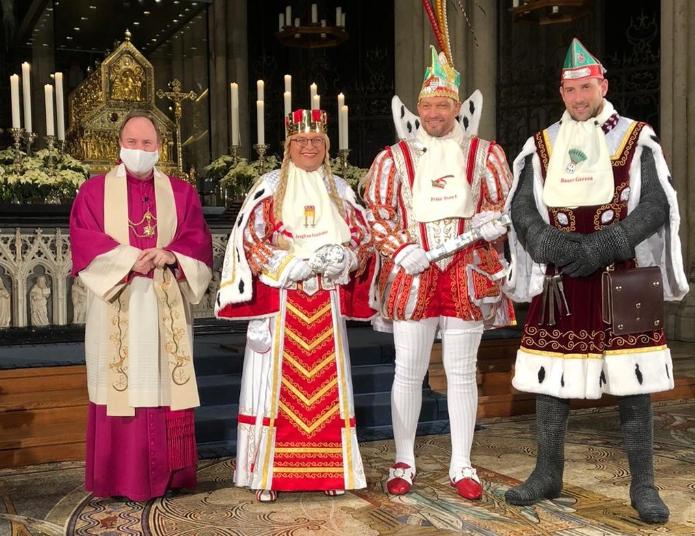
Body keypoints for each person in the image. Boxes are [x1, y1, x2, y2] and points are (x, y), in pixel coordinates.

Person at [503, 38, 689, 524]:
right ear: (561, 93)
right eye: (570, 91)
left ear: (602, 85)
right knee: (550, 378)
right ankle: (547, 472)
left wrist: (604, 246)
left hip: (626, 273)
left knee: (635, 382)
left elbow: (655, 205)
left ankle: (644, 486)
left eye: (586, 88)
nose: (579, 98)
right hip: (560, 274)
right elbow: (522, 206)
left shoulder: (636, 136)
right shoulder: (541, 143)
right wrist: (547, 245)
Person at [362, 45, 515, 500]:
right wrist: (400, 248)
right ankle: (404, 460)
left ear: (458, 107)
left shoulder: (487, 154)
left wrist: (492, 220)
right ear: (418, 108)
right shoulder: (392, 158)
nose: (433, 113)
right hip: (413, 275)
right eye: (426, 105)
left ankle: (461, 463)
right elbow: (376, 213)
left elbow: (504, 205)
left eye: (442, 105)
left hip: (467, 272)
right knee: (407, 370)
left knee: (461, 372)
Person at [216, 109, 375, 503]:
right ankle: (267, 474)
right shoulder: (269, 187)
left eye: (316, 141)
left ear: (326, 146)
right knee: (273, 391)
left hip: (326, 299)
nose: (309, 147)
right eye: (301, 142)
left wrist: (345, 259)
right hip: (282, 301)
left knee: (327, 392)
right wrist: (289, 265)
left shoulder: (340, 188)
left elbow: (364, 239)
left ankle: (331, 471)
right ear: (288, 147)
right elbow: (249, 240)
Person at [70, 111, 213, 501]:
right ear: (120, 145)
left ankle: (170, 476)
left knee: (165, 384)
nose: (139, 150)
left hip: (163, 301)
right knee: (121, 383)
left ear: (159, 148)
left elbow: (197, 240)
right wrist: (127, 259)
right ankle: (119, 477)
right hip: (118, 300)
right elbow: (83, 240)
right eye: (132, 143)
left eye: (147, 144)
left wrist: (170, 254)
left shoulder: (182, 193)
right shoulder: (93, 191)